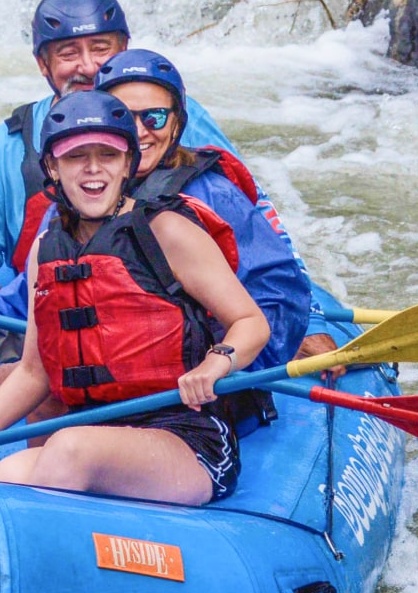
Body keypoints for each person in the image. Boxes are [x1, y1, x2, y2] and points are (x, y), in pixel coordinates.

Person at [0, 91, 269, 506]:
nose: (93, 169)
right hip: (95, 430)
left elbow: (251, 322)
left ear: (128, 165)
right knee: (8, 472)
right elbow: (33, 373)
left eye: (109, 155)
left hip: (185, 439)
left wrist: (217, 362)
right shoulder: (46, 249)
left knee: (67, 449)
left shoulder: (167, 231)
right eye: (76, 156)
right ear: (52, 167)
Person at [0, 0, 239, 299]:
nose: (89, 67)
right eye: (68, 53)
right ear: (42, 64)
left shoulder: (167, 118)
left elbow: (251, 219)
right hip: (48, 308)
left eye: (101, 48)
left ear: (124, 49)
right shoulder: (10, 144)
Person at [94, 48, 352, 373]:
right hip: (112, 366)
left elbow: (276, 293)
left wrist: (230, 362)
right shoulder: (84, 195)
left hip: (193, 376)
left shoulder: (214, 195)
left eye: (154, 117)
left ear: (176, 125)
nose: (139, 130)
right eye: (122, 116)